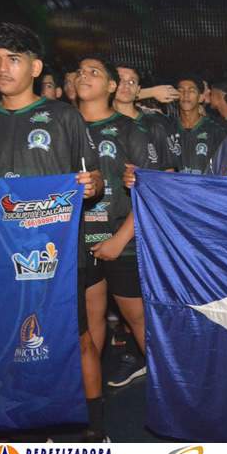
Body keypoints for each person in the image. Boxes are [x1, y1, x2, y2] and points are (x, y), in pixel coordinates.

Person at [0, 23, 105, 440]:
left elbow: (95, 178)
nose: (2, 68)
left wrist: (92, 185)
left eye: (13, 59)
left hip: (55, 253)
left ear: (35, 68)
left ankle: (93, 429)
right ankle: (20, 424)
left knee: (75, 337)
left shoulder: (63, 116)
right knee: (1, 340)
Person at [75, 54, 158, 393]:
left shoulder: (130, 129)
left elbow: (151, 192)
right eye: (80, 71)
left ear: (111, 85)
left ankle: (169, 392)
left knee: (138, 319)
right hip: (76, 242)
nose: (83, 76)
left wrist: (120, 240)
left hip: (123, 241)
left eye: (93, 72)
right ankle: (90, 401)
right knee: (89, 323)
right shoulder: (62, 126)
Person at [171, 75, 227, 174]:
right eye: (181, 90)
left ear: (201, 97)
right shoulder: (167, 128)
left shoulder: (216, 131)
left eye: (191, 91)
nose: (186, 94)